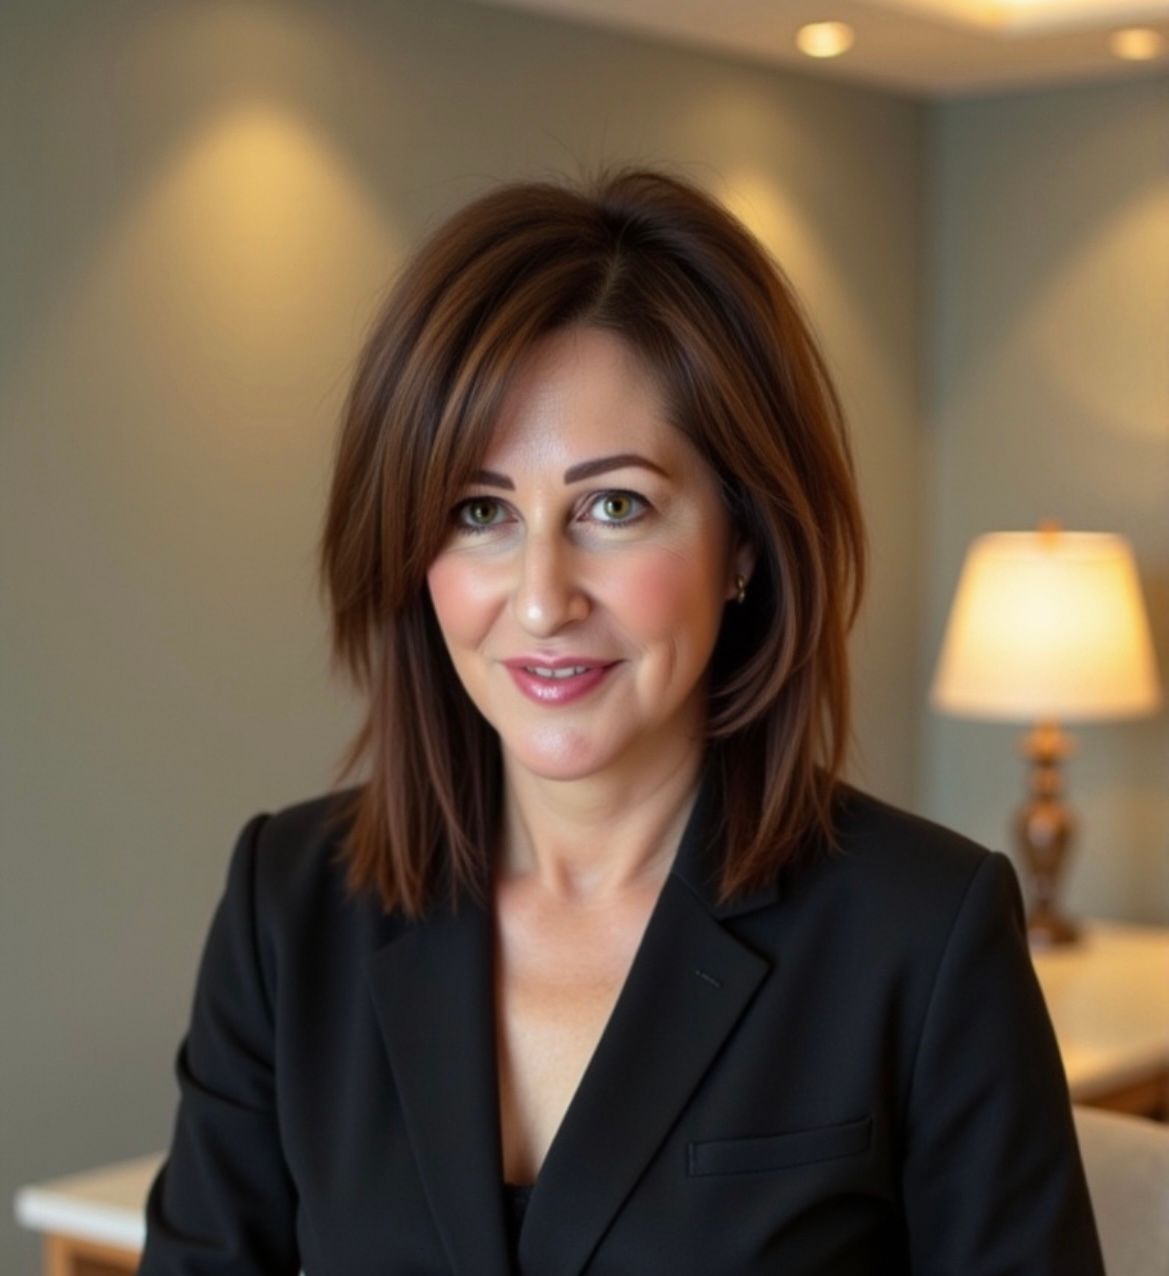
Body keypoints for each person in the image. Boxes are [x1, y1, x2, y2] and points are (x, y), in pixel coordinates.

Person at [138, 165, 1106, 1275]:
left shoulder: (922, 934)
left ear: (744, 542)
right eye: (479, 511)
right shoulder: (287, 904)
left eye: (613, 506)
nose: (543, 598)